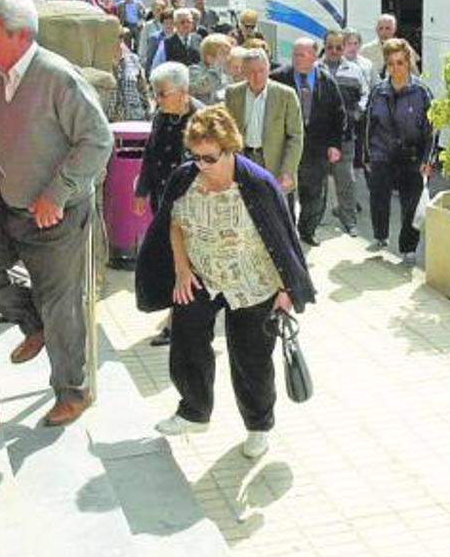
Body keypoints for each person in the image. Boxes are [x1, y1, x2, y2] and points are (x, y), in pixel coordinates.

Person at [0, 0, 112, 427]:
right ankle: (32, 318)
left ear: (20, 35)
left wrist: (57, 192)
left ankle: (72, 391)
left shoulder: (57, 77)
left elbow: (99, 140)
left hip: (57, 214)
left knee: (62, 302)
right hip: (8, 205)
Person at [134, 105, 315, 459]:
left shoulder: (257, 183)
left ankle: (258, 426)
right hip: (202, 276)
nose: (202, 164)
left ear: (230, 148)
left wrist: (286, 291)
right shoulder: (186, 178)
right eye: (195, 156)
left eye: (209, 158)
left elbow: (283, 238)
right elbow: (174, 222)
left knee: (251, 360)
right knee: (186, 340)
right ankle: (195, 411)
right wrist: (182, 270)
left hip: (254, 283)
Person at [136, 62, 204, 347]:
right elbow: (151, 154)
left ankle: (180, 322)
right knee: (168, 258)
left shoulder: (202, 119)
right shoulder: (161, 116)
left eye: (162, 94)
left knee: (187, 262)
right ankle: (177, 313)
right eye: (156, 93)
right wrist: (141, 190)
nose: (157, 99)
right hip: (163, 201)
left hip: (193, 206)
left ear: (183, 92)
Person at [364, 38, 434, 264]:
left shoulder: (421, 92)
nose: (396, 68)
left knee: (411, 204)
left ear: (408, 62)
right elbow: (367, 125)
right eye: (391, 63)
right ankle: (380, 237)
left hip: (411, 156)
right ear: (386, 64)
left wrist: (427, 158)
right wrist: (366, 156)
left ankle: (408, 247)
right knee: (379, 198)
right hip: (382, 154)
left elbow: (432, 130)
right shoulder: (378, 92)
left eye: (400, 63)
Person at [271, 37, 344, 246]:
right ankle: (287, 233)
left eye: (301, 55)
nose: (296, 58)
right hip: (285, 148)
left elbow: (338, 115)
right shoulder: (278, 78)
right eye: (294, 54)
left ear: (313, 56)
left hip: (316, 149)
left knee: (314, 194)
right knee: (285, 192)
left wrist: (335, 144)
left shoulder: (326, 81)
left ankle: (307, 230)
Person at [224, 49, 303, 196]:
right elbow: (227, 130)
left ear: (268, 69)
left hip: (274, 163)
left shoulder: (286, 95)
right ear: (243, 72)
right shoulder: (232, 93)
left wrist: (287, 170)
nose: (257, 76)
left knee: (277, 213)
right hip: (243, 159)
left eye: (261, 70)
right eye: (252, 71)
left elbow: (295, 136)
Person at [320, 30, 368, 236]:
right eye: (330, 46)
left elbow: (365, 95)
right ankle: (315, 221)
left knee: (345, 180)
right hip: (319, 138)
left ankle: (349, 221)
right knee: (317, 181)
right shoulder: (315, 69)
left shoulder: (354, 70)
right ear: (324, 46)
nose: (334, 51)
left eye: (338, 47)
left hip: (345, 136)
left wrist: (357, 113)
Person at [105, 27, 150, 122]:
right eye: (113, 36)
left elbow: (143, 90)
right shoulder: (100, 62)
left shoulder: (133, 59)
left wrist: (147, 113)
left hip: (135, 118)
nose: (118, 40)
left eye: (121, 36)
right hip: (110, 120)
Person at [344, 29, 374, 168]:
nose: (353, 47)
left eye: (356, 43)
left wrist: (362, 108)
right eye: (349, 43)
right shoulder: (337, 64)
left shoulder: (367, 64)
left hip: (362, 112)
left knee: (361, 145)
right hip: (344, 112)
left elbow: (373, 86)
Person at [190, 33, 233, 104]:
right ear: (209, 57)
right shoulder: (194, 70)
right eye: (223, 54)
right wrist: (214, 70)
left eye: (228, 53)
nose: (227, 58)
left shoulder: (226, 73)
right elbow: (201, 88)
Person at [360, 13, 397, 79]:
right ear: (376, 30)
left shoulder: (403, 49)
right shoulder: (366, 50)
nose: (384, 32)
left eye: (388, 28)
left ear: (394, 30)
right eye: (381, 28)